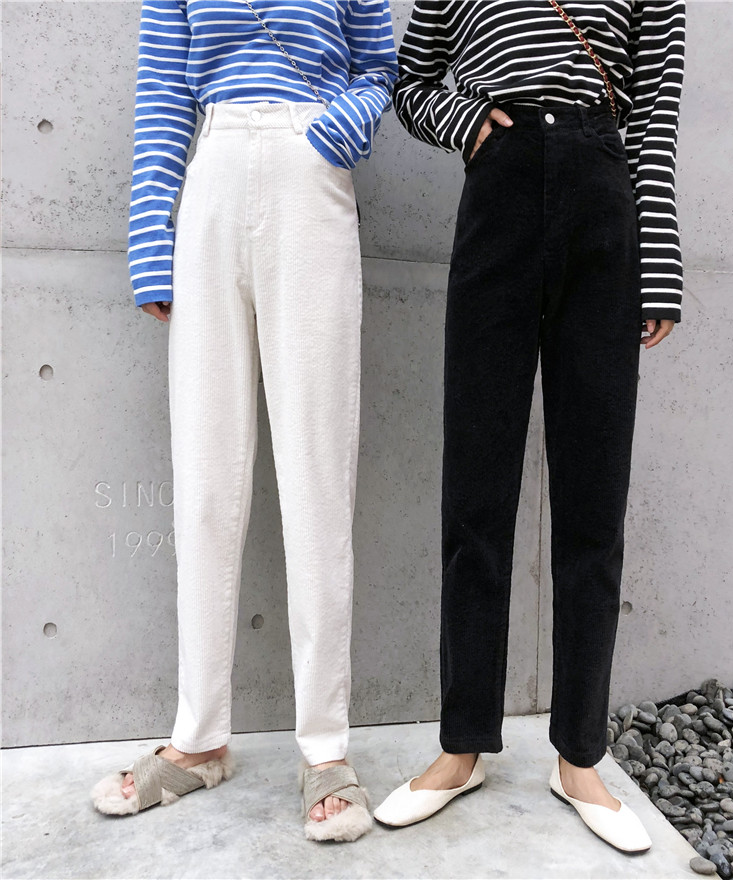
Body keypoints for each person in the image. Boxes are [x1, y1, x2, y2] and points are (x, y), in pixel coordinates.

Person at [374, 0, 685, 853]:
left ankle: (580, 756)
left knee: (594, 498)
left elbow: (654, 110)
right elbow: (411, 80)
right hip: (499, 196)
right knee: (477, 490)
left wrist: (658, 262)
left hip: (603, 199)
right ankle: (462, 744)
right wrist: (471, 124)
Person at [91, 0, 397, 843]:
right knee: (204, 479)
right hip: (213, 173)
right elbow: (163, 92)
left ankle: (326, 749)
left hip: (312, 175)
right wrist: (150, 238)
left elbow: (380, 65)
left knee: (317, 476)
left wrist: (341, 124)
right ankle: (198, 739)